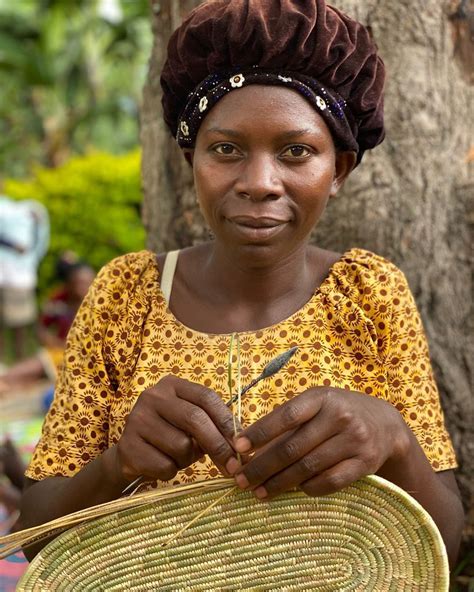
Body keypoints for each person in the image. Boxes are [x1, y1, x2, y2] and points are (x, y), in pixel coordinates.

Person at [20, 0, 463, 569]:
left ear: (340, 171)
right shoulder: (126, 296)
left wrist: (394, 439)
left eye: (297, 151)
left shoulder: (370, 294)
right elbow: (33, 537)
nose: (259, 183)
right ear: (191, 159)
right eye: (226, 149)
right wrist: (117, 465)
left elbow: (444, 545)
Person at [0, 259, 95, 394]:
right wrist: (51, 341)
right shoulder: (59, 300)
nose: (82, 287)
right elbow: (41, 327)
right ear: (69, 284)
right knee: (37, 365)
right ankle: (6, 381)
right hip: (59, 352)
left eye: (86, 283)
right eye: (78, 283)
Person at [0, 196, 49, 361]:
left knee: (22, 320)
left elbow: (39, 238)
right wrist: (12, 245)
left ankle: (20, 357)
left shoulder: (27, 209)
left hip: (19, 275)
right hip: (6, 273)